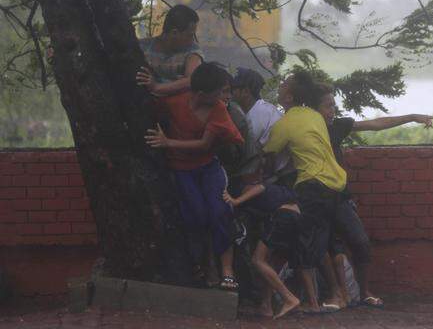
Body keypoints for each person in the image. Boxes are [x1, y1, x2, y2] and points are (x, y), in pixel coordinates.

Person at [312, 82, 433, 308]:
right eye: (327, 106)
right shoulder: (307, 130)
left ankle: (364, 292)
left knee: (360, 242)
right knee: (329, 246)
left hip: (341, 196)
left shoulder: (337, 127)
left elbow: (376, 124)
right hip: (316, 196)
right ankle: (337, 295)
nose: (332, 111)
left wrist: (412, 117)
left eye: (334, 105)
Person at [144, 62, 243, 291]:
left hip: (208, 167)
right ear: (202, 94)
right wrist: (154, 86)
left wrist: (167, 142)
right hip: (181, 169)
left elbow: (204, 144)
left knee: (220, 211)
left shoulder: (218, 109)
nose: (223, 96)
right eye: (219, 91)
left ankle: (227, 270)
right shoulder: (176, 101)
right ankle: (204, 264)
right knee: (196, 216)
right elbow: (155, 95)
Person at [262, 72, 348, 313]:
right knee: (320, 242)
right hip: (335, 183)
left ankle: (315, 300)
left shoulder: (285, 124)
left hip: (312, 184)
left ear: (288, 97)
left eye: (284, 85)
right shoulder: (313, 115)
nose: (280, 86)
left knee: (305, 243)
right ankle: (328, 296)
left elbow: (269, 154)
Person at [223, 183, 301, 319]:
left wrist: (236, 201)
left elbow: (260, 187)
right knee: (269, 265)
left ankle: (289, 299)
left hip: (282, 217)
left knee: (257, 260)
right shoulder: (279, 193)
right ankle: (266, 307)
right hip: (296, 219)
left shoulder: (257, 188)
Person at [136, 4, 203, 96]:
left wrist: (156, 87)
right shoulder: (143, 46)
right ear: (174, 33)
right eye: (190, 35)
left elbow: (192, 80)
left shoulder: (192, 50)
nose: (192, 40)